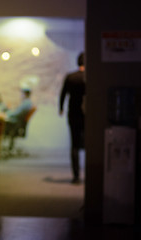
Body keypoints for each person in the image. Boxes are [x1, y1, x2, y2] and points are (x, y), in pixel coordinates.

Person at [59, 52, 85, 184]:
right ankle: (92, 172)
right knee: (90, 145)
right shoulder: (89, 77)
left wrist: (61, 108)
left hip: (73, 115)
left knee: (74, 144)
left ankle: (76, 176)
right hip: (88, 116)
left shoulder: (71, 77)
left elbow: (63, 94)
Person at [4, 88, 33, 153]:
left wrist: (6, 114)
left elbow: (17, 113)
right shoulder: (28, 102)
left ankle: (7, 148)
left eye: (22, 94)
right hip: (18, 122)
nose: (21, 96)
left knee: (2, 125)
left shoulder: (26, 103)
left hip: (16, 124)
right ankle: (10, 148)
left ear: (25, 95)